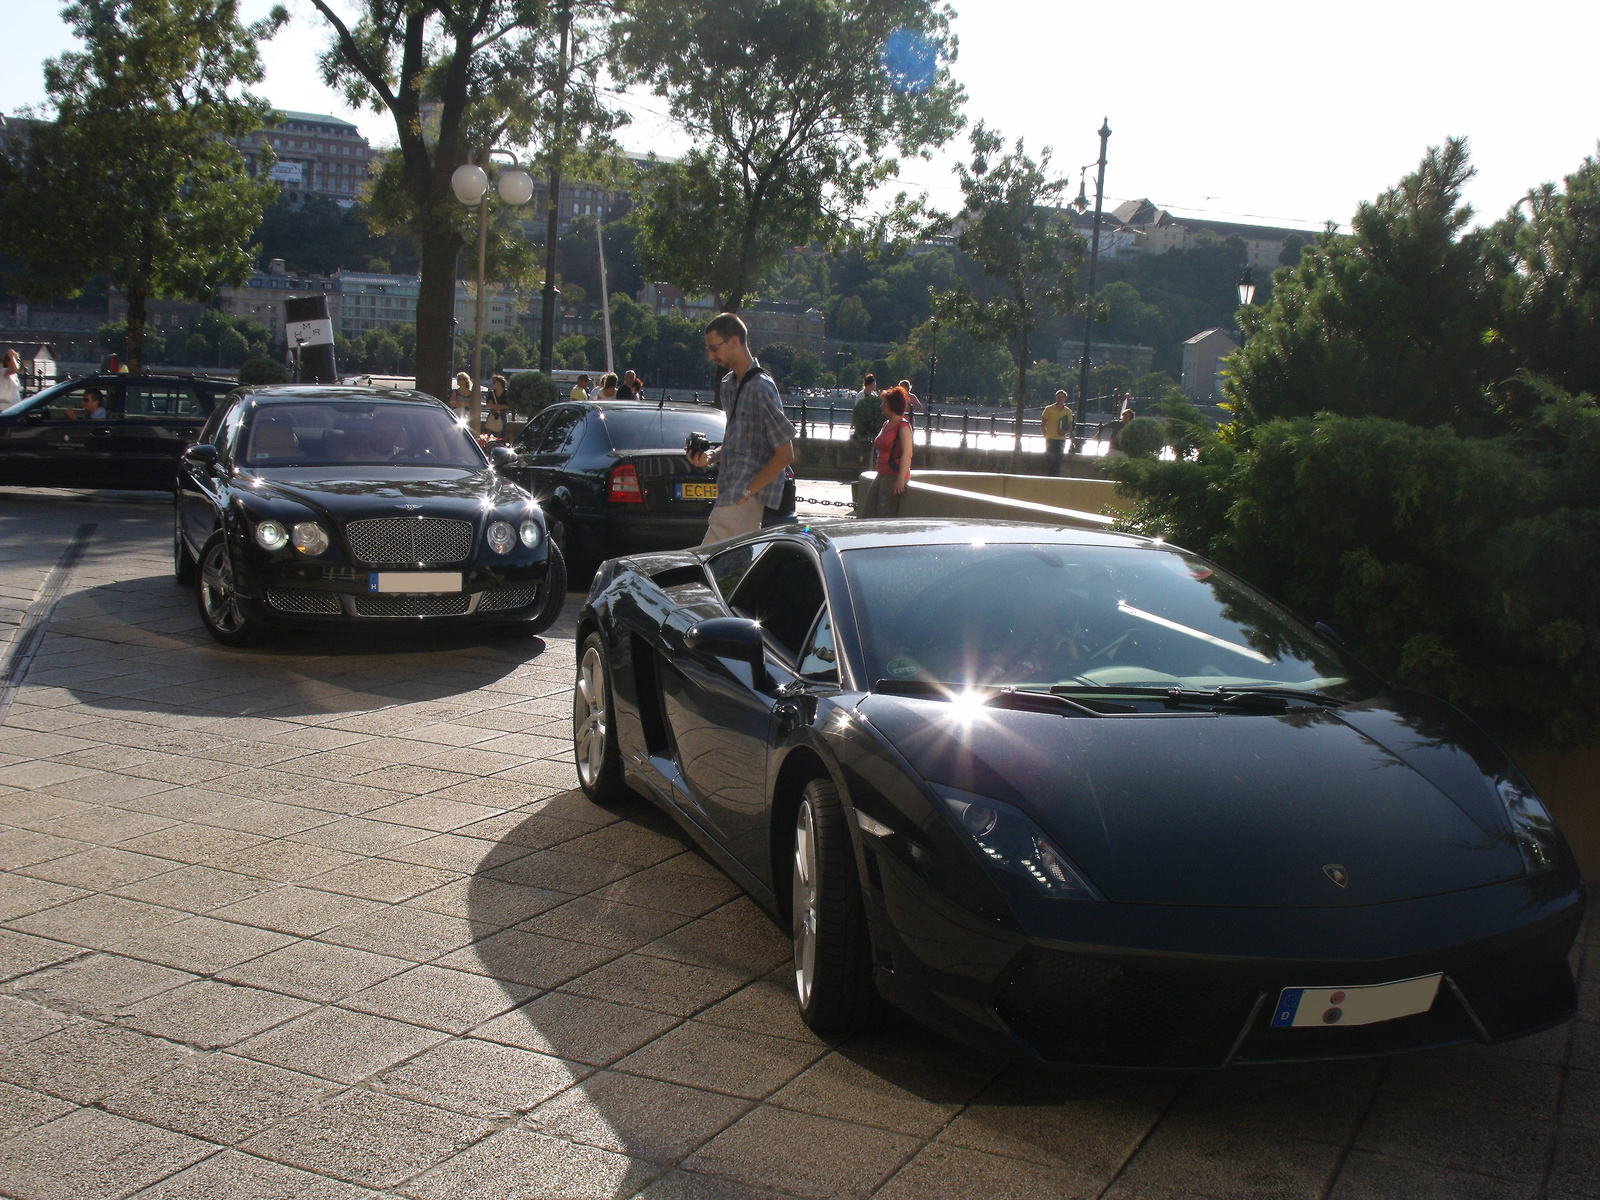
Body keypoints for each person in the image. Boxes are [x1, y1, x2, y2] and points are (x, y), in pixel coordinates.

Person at [686, 312, 795, 545]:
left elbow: (786, 453)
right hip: (729, 492)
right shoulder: (729, 385)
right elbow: (739, 440)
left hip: (741, 499)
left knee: (708, 567)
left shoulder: (761, 387)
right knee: (725, 572)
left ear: (734, 342)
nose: (710, 355)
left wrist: (748, 492)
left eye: (714, 348)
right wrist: (711, 456)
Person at [861, 386, 912, 519]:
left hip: (893, 474)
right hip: (882, 472)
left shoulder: (903, 426)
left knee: (884, 511)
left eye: (884, 403)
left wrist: (901, 479)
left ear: (891, 405)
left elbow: (907, 453)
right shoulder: (886, 424)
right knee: (868, 510)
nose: (882, 405)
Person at [1041, 389, 1073, 475]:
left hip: (1061, 439)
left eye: (1062, 397)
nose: (1060, 399)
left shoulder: (1068, 411)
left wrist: (1065, 432)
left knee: (1059, 459)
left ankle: (1055, 477)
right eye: (1058, 397)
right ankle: (1052, 477)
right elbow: (1043, 423)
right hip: (1050, 438)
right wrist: (1045, 435)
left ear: (1065, 399)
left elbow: (1070, 426)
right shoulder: (1049, 409)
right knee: (1051, 459)